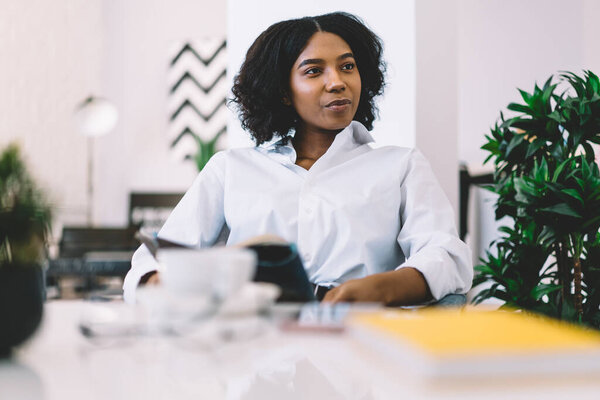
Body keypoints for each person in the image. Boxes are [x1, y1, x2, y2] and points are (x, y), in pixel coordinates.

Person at [123, 12, 472, 305]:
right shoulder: (231, 169)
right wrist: (164, 283)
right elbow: (148, 265)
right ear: (283, 93)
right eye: (313, 71)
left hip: (360, 345)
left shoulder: (401, 166)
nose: (337, 82)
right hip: (251, 343)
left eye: (347, 67)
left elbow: (448, 257)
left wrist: (378, 288)